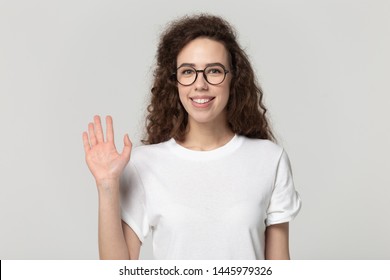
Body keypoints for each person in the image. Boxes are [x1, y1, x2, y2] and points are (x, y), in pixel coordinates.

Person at [82, 14, 301, 260]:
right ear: (175, 82)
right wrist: (107, 185)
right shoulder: (144, 164)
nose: (200, 84)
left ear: (234, 78)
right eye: (188, 72)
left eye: (214, 71)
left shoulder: (269, 159)